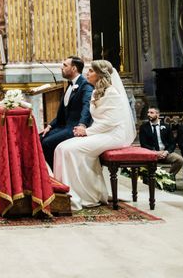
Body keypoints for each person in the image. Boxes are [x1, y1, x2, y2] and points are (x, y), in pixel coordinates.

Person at [53, 60, 137, 211]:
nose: (87, 73)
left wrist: (86, 132)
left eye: (91, 71)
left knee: (70, 150)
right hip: (100, 132)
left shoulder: (112, 92)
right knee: (61, 147)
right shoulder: (96, 91)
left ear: (99, 74)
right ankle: (63, 193)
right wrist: (84, 129)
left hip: (113, 135)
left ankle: (85, 195)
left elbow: (111, 122)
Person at [40, 56, 93, 168]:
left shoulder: (85, 86)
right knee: (39, 138)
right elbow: (62, 114)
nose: (61, 67)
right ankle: (47, 175)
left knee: (47, 143)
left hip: (74, 128)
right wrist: (50, 125)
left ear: (73, 69)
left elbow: (87, 107)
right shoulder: (70, 85)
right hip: (63, 126)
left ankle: (56, 175)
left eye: (65, 65)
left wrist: (82, 125)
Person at [139, 106, 183, 178]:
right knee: (143, 162)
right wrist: (155, 152)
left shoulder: (166, 126)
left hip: (165, 153)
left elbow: (172, 143)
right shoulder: (144, 127)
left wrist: (166, 152)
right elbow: (143, 144)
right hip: (151, 153)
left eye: (151, 113)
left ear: (157, 114)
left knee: (179, 160)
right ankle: (152, 179)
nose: (148, 114)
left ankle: (169, 178)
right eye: (148, 112)